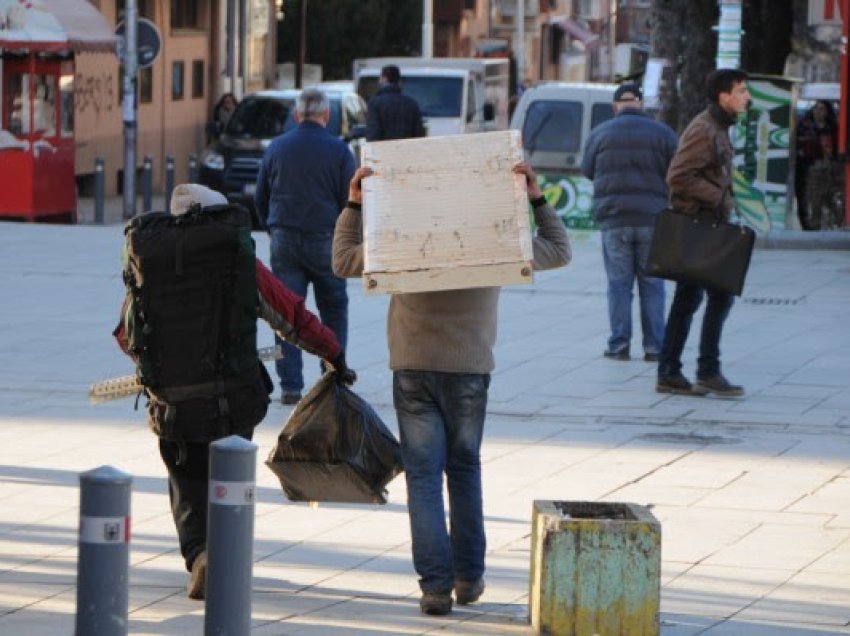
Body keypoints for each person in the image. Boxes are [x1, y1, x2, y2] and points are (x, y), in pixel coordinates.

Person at [332, 162, 571, 616]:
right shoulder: (493, 240)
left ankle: (435, 588)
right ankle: (468, 577)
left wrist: (354, 204)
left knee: (423, 479)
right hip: (469, 370)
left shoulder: (401, 240)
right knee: (464, 470)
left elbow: (342, 259)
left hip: (413, 366)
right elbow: (560, 249)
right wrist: (536, 198)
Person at [114, 183, 353, 600]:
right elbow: (290, 315)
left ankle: (200, 553)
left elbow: (125, 333)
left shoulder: (151, 261)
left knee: (186, 477)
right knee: (227, 476)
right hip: (234, 397)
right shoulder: (236, 257)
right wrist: (333, 353)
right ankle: (224, 553)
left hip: (174, 402)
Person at [255, 89, 355, 405]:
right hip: (326, 239)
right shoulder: (340, 151)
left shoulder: (276, 147)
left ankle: (291, 387)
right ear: (326, 116)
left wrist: (273, 228)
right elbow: (350, 201)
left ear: (297, 115)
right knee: (333, 309)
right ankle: (333, 377)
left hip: (284, 238)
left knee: (286, 314)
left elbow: (260, 197)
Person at [657, 68, 750, 397]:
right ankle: (699, 370)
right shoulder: (704, 128)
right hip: (699, 225)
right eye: (741, 91)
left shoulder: (719, 127)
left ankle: (676, 370)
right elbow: (678, 176)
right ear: (724, 96)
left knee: (697, 298)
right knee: (707, 297)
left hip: (709, 224)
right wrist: (720, 198)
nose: (746, 97)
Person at [581, 82, 678, 362]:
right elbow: (677, 171)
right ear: (641, 104)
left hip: (614, 219)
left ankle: (619, 345)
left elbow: (588, 171)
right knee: (653, 286)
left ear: (615, 107)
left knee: (619, 285)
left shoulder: (599, 134)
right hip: (653, 219)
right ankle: (655, 347)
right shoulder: (663, 133)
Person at [795, 99, 839, 230]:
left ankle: (829, 224)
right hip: (807, 167)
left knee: (828, 198)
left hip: (827, 167)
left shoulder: (832, 128)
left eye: (821, 109)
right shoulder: (804, 126)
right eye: (816, 108)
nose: (818, 112)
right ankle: (809, 226)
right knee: (807, 198)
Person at [366, 65, 425, 141]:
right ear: (398, 80)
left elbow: (373, 132)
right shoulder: (411, 103)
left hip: (383, 149)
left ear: (384, 79)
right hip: (406, 150)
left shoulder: (375, 103)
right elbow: (418, 133)